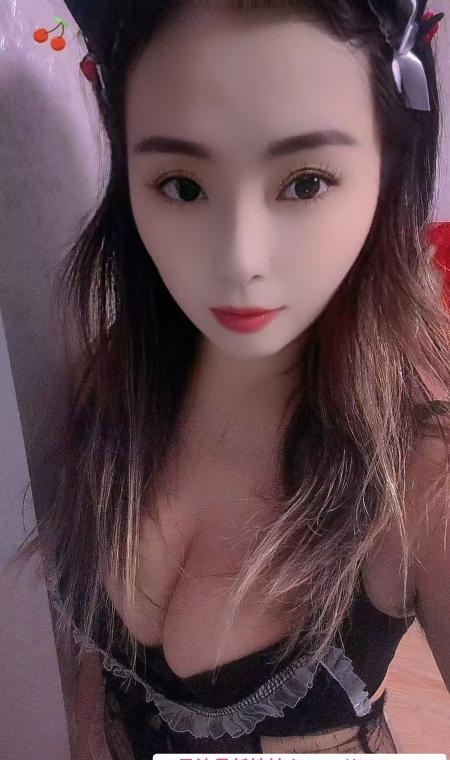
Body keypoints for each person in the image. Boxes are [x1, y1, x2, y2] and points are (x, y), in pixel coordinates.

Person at [7, 1, 450, 757]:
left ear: (389, 170)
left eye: (305, 182)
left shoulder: (419, 479)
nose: (240, 257)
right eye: (182, 185)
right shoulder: (112, 384)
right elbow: (93, 682)